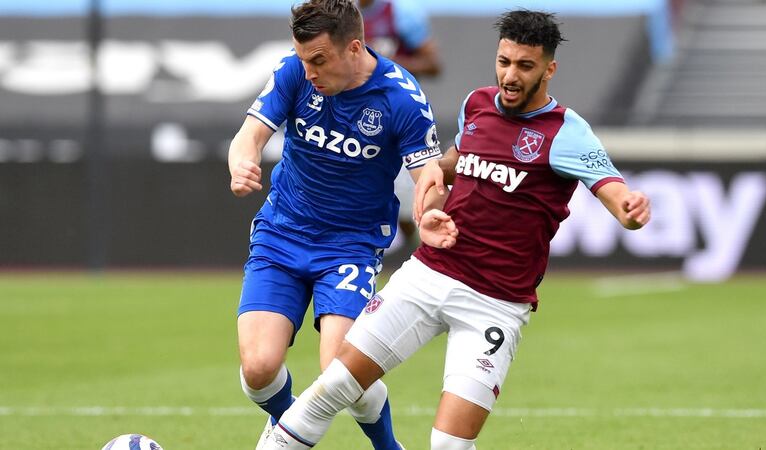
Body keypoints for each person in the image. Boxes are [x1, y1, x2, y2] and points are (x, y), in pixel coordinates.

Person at [258, 9, 651, 450]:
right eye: (504, 62)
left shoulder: (567, 132)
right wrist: (431, 199)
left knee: (448, 445)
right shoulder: (477, 105)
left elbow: (615, 194)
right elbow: (449, 168)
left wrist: (630, 210)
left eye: (525, 66)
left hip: (495, 304)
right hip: (429, 275)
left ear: (549, 68)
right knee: (331, 388)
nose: (510, 76)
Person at [227, 0, 441, 448]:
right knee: (259, 368)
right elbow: (249, 135)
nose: (309, 72)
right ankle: (288, 421)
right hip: (281, 234)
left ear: (355, 48)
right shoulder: (294, 71)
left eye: (319, 60)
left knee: (341, 372)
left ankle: (388, 446)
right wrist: (242, 163)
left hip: (350, 246)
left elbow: (429, 176)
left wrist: (432, 210)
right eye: (304, 59)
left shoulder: (401, 97)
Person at [357, 0, 443, 258]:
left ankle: (426, 250)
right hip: (353, 118)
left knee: (409, 204)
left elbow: (433, 64)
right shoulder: (341, 12)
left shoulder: (400, 14)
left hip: (397, 120)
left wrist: (390, 62)